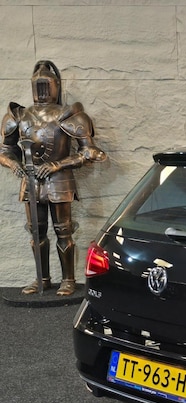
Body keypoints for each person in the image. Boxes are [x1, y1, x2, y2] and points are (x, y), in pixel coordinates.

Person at [0, 60, 106, 295]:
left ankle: (68, 279)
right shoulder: (19, 115)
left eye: (47, 84)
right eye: (38, 84)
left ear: (56, 84)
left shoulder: (69, 115)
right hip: (30, 180)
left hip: (60, 180)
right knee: (36, 231)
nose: (42, 89)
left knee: (63, 231)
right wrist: (14, 164)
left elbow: (90, 152)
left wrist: (58, 164)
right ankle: (43, 278)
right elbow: (5, 150)